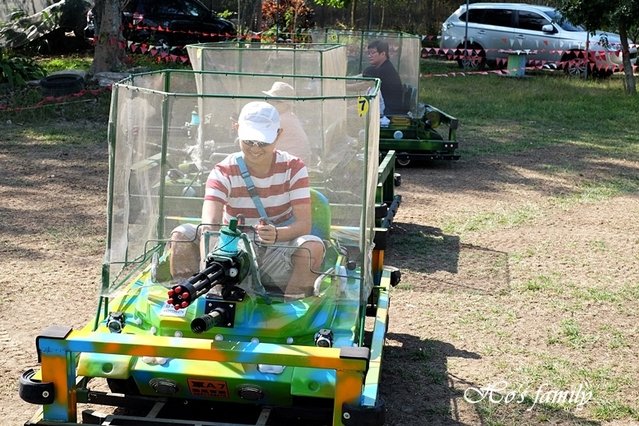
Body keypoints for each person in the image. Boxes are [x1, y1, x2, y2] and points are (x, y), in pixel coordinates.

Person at [169, 101, 325, 299]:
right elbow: (210, 225)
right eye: (249, 141)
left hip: (275, 249)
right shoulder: (223, 171)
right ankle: (189, 298)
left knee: (312, 247)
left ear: (278, 134)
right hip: (230, 248)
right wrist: (216, 261)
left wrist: (277, 234)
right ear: (237, 129)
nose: (256, 149)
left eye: (263, 142)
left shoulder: (294, 168)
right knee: (181, 235)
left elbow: (304, 225)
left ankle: (289, 308)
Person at [262, 81, 313, 165]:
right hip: (295, 163)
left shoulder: (282, 120)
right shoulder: (288, 117)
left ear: (286, 104)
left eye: (275, 101)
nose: (270, 103)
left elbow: (262, 140)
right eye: (270, 100)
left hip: (292, 166)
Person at [362, 40, 406, 115]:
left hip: (388, 112)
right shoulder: (379, 68)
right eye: (368, 53)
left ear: (383, 54)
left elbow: (361, 85)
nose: (369, 56)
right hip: (383, 107)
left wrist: (343, 86)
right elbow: (359, 78)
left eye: (373, 53)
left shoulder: (385, 70)